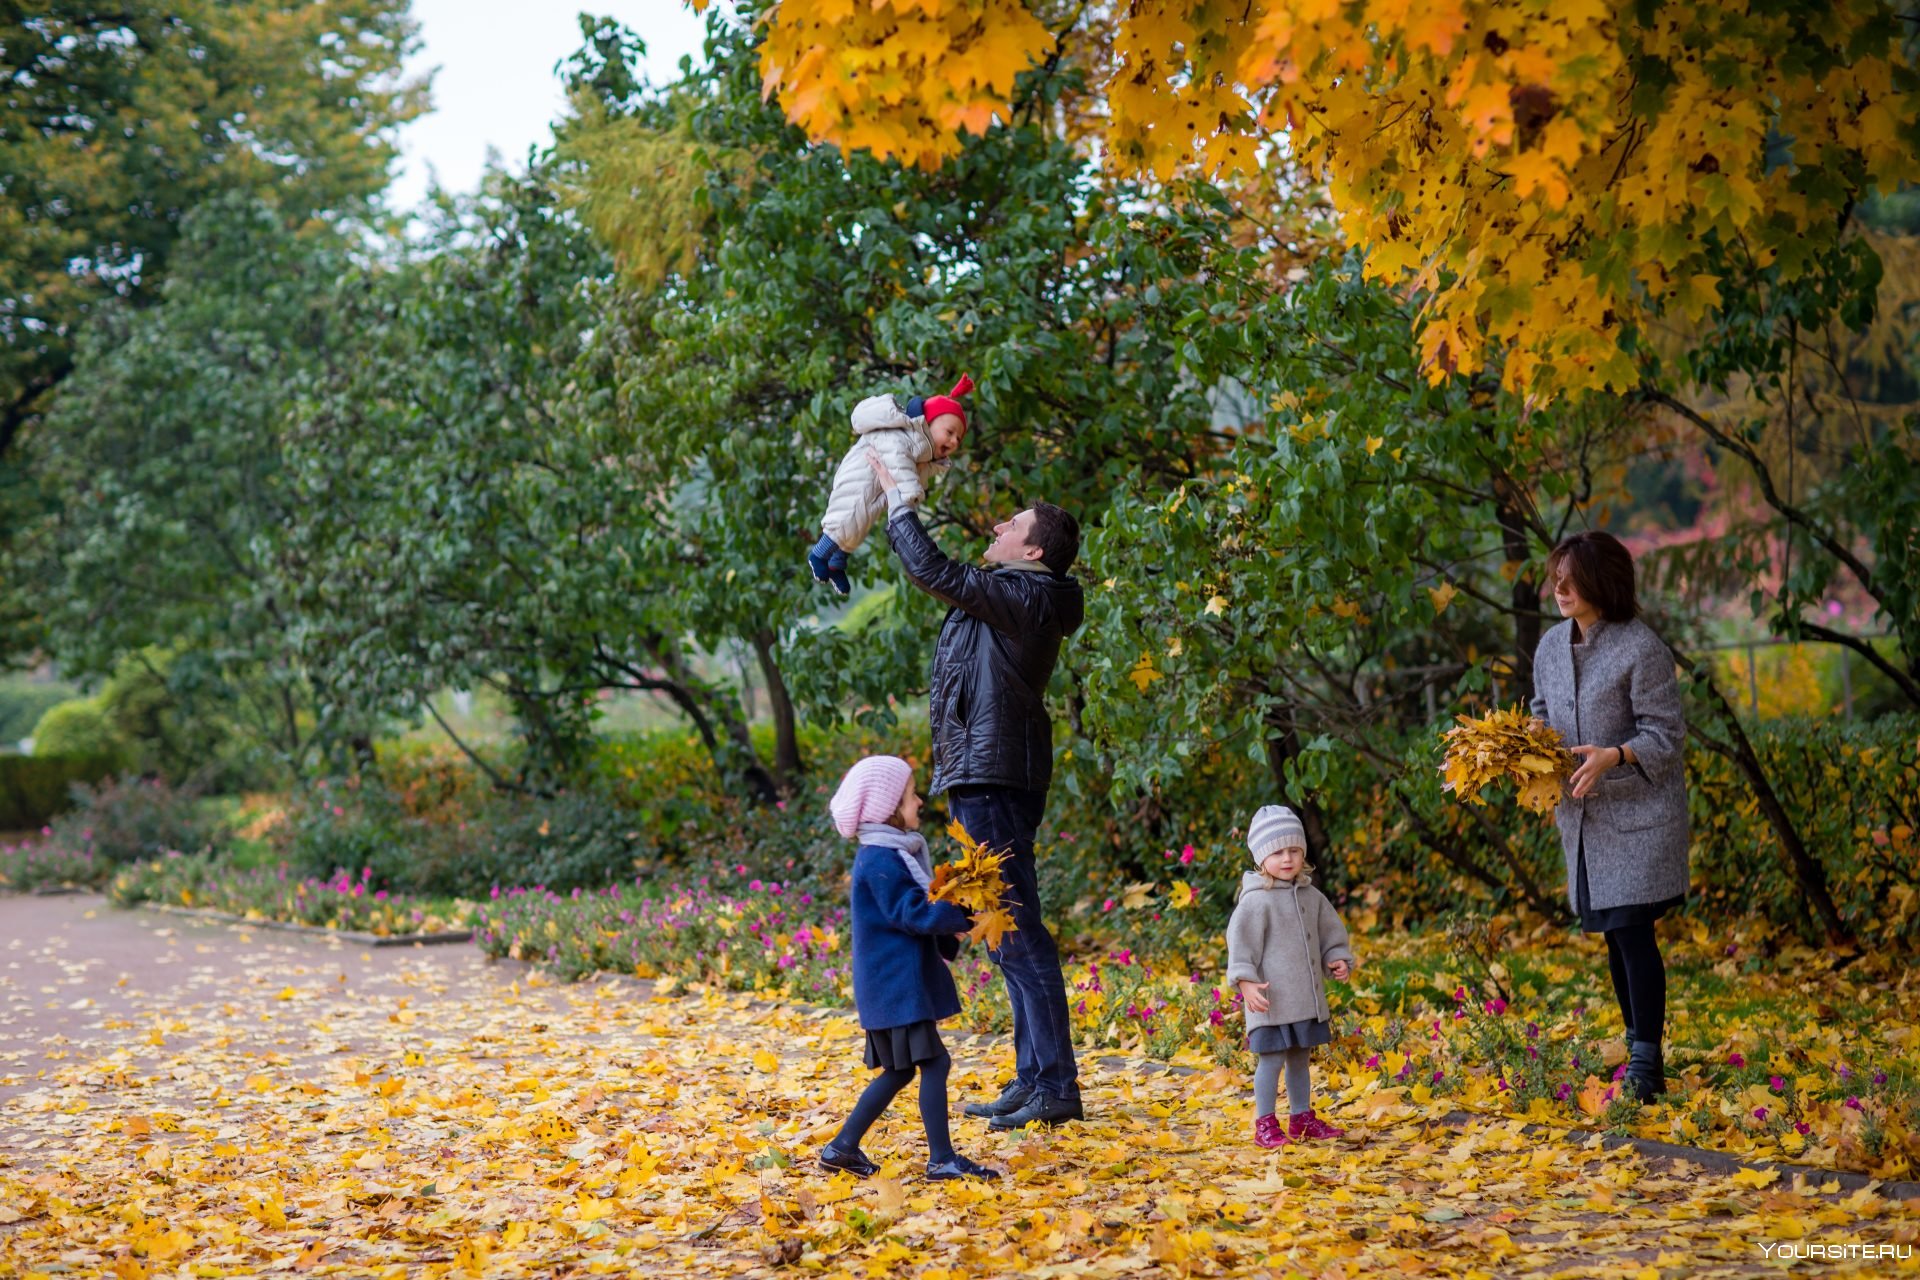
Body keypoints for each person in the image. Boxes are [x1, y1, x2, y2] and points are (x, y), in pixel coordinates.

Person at [864, 449, 1086, 1130]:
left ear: (1036, 547)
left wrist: (900, 500)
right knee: (1002, 936)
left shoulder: (1030, 595)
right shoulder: (1014, 596)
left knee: (1018, 935)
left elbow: (934, 571)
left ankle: (1056, 1087)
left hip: (995, 779)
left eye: (1011, 524)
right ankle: (1034, 1079)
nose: (996, 527)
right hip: (979, 776)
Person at [1529, 530, 1688, 1104]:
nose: (1560, 587)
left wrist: (1614, 755)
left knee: (1632, 932)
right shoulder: (1549, 646)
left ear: (1602, 582)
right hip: (1583, 821)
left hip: (1639, 816)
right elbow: (1542, 712)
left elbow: (1666, 738)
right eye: (1556, 575)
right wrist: (1522, 747)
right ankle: (1637, 1051)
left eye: (1572, 577)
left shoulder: (1641, 648)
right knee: (1615, 939)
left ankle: (1646, 1066)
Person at [819, 755, 1000, 1182]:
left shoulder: (890, 853)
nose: (919, 801)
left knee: (901, 1070)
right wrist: (964, 913)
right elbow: (911, 912)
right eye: (911, 795)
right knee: (934, 1064)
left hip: (892, 985)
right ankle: (941, 1160)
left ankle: (842, 1148)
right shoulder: (881, 858)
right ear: (887, 808)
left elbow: (915, 909)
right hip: (896, 986)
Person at [1224, 805, 1355, 1148]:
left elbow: (1329, 932)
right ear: (1262, 858)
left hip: (1303, 1000)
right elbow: (1241, 947)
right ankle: (1265, 1122)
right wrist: (1245, 981)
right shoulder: (1256, 901)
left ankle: (1301, 1118)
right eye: (1278, 852)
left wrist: (1336, 956)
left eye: (1294, 850)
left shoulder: (1311, 896)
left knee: (1300, 1058)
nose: (1287, 858)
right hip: (1271, 1000)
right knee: (1271, 1061)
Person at [809, 376, 973, 596]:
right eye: (950, 432)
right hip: (862, 473)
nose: (953, 442)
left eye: (958, 440)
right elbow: (897, 459)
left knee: (862, 521)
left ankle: (837, 563)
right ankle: (818, 555)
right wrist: (910, 492)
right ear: (928, 423)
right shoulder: (902, 434)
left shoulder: (923, 454)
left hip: (877, 483)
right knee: (848, 514)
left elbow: (913, 471)